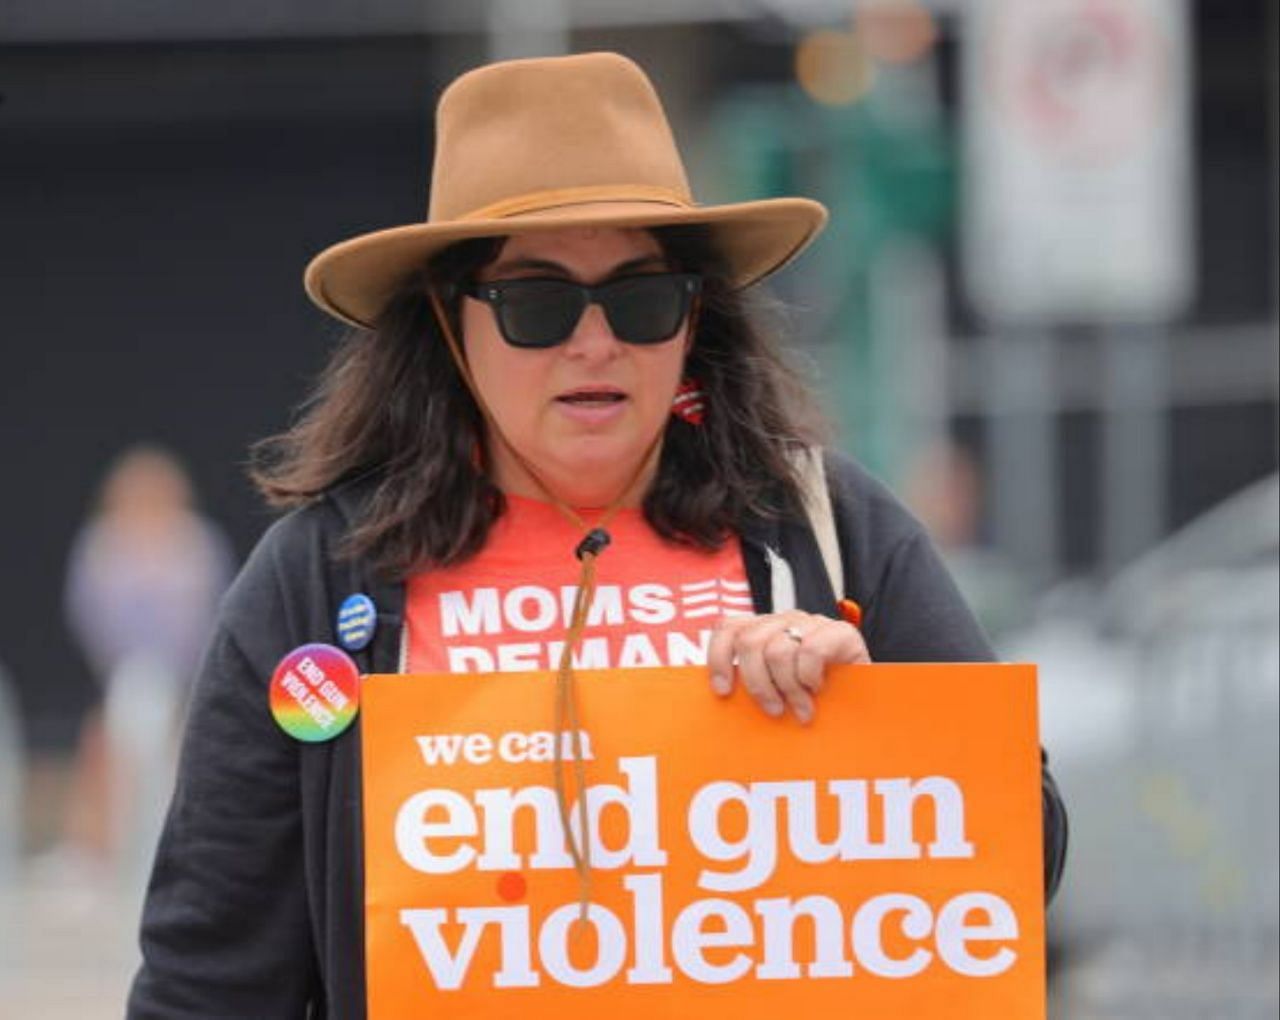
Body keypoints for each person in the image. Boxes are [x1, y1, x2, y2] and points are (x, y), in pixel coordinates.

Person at [127, 52, 1067, 1017]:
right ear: (449, 326)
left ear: (693, 318)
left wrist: (880, 726)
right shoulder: (321, 584)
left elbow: (1015, 858)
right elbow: (211, 975)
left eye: (641, 299)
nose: (595, 342)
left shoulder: (826, 530)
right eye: (536, 303)